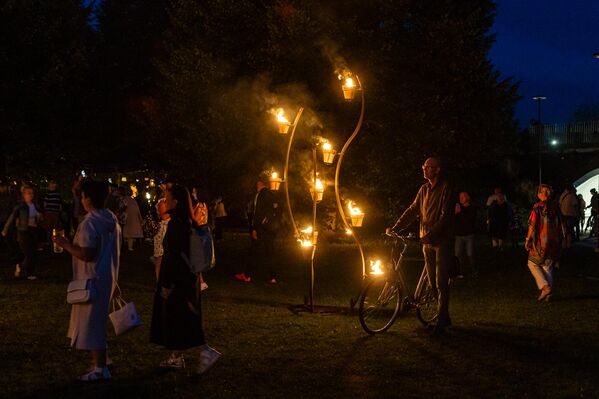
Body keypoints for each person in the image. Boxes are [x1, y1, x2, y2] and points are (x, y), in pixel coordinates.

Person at [52, 180, 121, 381]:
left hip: (91, 279)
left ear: (88, 199)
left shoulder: (91, 222)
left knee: (92, 325)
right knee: (96, 322)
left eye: (82, 197)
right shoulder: (111, 218)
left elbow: (87, 253)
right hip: (106, 277)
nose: (81, 201)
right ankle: (103, 361)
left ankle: (100, 369)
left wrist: (64, 244)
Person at [150, 184, 220, 374]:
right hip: (187, 279)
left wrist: (166, 284)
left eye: (167, 197)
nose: (164, 201)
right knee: (177, 318)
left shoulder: (177, 224)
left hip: (179, 281)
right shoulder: (186, 222)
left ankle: (205, 350)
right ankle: (176, 356)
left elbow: (173, 256)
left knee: (184, 318)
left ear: (176, 201)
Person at [389, 157, 454, 333]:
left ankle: (440, 323)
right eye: (424, 166)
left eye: (429, 167)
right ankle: (444, 316)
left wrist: (430, 235)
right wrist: (396, 227)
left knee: (441, 282)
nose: (425, 169)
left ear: (438, 169)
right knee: (432, 283)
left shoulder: (446, 188)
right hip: (427, 242)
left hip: (441, 242)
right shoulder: (424, 189)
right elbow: (413, 210)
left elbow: (446, 216)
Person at [235, 172, 281, 284]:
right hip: (271, 229)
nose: (256, 186)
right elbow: (277, 210)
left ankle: (247, 275)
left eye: (257, 184)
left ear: (260, 184)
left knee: (254, 251)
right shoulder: (272, 194)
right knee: (269, 252)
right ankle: (272, 277)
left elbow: (258, 213)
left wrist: (255, 228)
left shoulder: (261, 195)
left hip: (262, 228)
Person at [525, 184, 564, 302]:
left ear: (539, 195)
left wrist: (528, 239)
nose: (545, 194)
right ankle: (549, 295)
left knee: (532, 263)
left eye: (545, 192)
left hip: (540, 242)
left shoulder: (537, 207)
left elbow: (532, 224)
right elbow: (562, 223)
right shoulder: (555, 207)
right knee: (548, 266)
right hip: (553, 241)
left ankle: (545, 287)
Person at [2, 185, 43, 280]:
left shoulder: (35, 205)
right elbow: (12, 217)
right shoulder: (20, 207)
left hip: (34, 230)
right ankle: (28, 272)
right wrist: (5, 229)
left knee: (33, 253)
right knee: (28, 253)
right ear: (24, 195)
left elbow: (39, 218)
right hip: (23, 231)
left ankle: (24, 268)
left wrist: (40, 217)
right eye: (28, 193)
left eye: (32, 193)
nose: (31, 195)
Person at [454, 191, 477, 276]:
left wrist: (460, 212)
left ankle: (474, 270)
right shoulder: (457, 208)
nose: (461, 198)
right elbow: (454, 221)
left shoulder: (472, 208)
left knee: (470, 254)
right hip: (459, 235)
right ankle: (459, 272)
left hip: (469, 235)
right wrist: (455, 214)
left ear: (467, 198)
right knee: (458, 255)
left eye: (463, 196)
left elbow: (469, 221)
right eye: (460, 197)